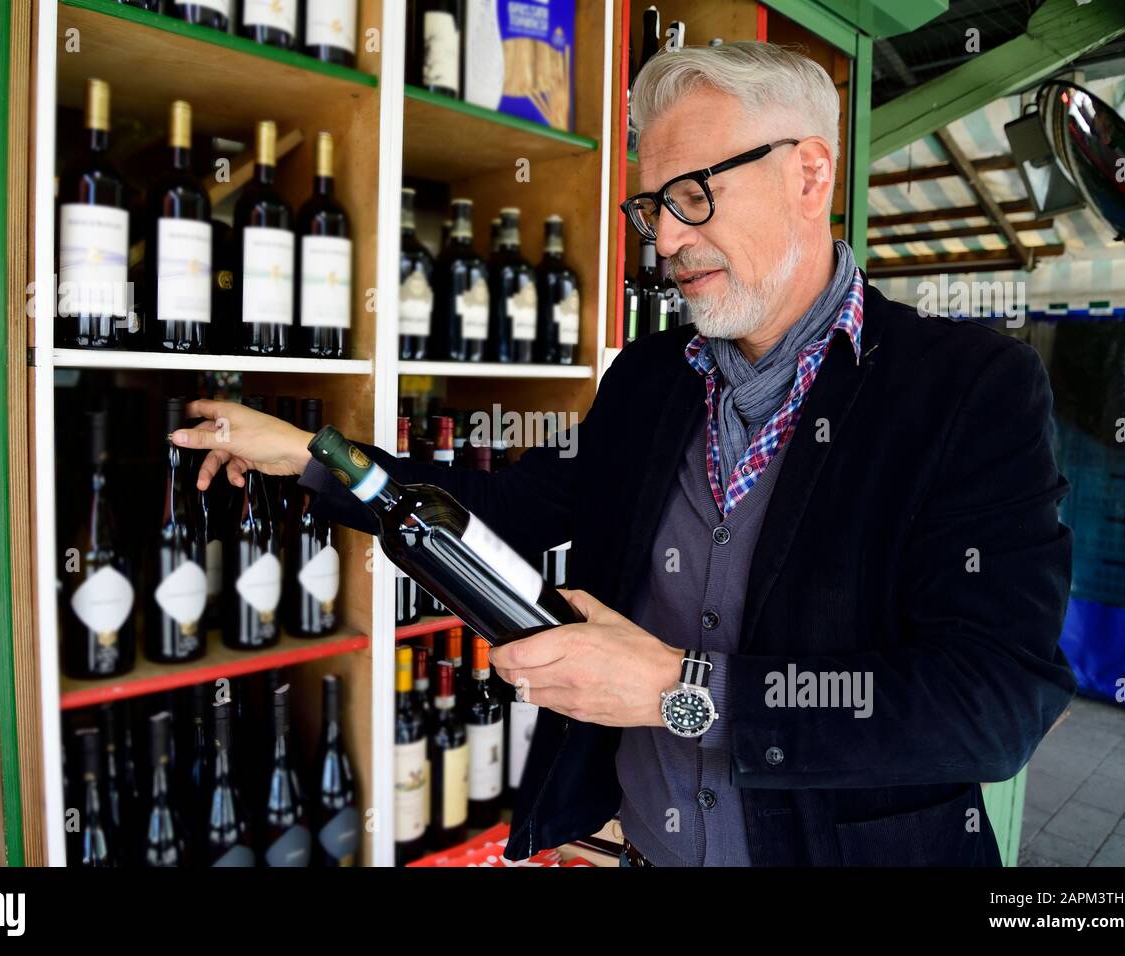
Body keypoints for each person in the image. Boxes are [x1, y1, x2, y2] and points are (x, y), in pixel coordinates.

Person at [173, 41, 1075, 866]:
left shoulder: (968, 388)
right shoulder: (651, 375)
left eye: (694, 193)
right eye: (652, 208)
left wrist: (683, 690)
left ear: (810, 173)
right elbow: (513, 508)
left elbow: (994, 702)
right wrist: (315, 457)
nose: (667, 241)